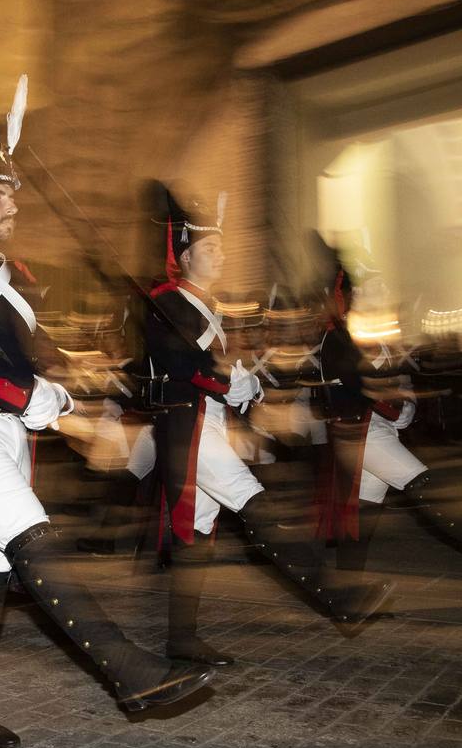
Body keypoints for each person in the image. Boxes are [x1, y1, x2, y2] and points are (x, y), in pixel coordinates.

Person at [0, 80, 214, 748]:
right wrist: (30, 395)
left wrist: (71, 388)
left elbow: (33, 357)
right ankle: (128, 671)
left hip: (5, 437)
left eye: (10, 195)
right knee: (34, 538)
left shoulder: (14, 279)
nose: (10, 206)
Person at [144, 190, 392, 668]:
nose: (220, 254)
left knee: (195, 538)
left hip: (209, 421)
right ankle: (335, 597)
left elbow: (211, 364)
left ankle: (181, 639)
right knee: (255, 503)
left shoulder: (201, 304)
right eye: (209, 248)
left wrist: (244, 385)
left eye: (221, 246)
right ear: (185, 255)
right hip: (189, 428)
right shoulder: (167, 301)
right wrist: (223, 381)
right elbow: (182, 363)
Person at [310, 234, 462, 581]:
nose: (385, 293)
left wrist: (403, 399)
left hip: (376, 430)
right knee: (423, 484)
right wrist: (398, 397)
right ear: (357, 294)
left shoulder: (373, 335)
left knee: (363, 516)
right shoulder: (338, 339)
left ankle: (345, 589)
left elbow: (393, 384)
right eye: (376, 287)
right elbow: (365, 387)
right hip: (358, 435)